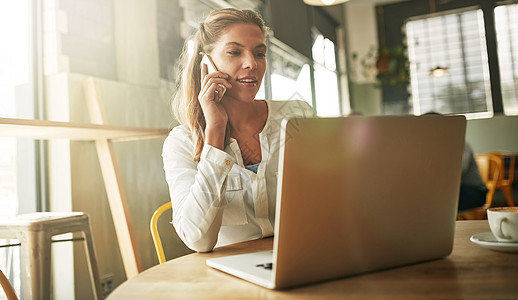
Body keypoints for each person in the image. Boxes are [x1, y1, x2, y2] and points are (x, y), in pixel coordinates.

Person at [162, 8, 314, 252]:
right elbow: (198, 240)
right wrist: (214, 131)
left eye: (260, 54)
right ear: (207, 63)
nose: (251, 64)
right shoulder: (181, 142)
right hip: (229, 274)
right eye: (234, 52)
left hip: (302, 255)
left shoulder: (298, 116)